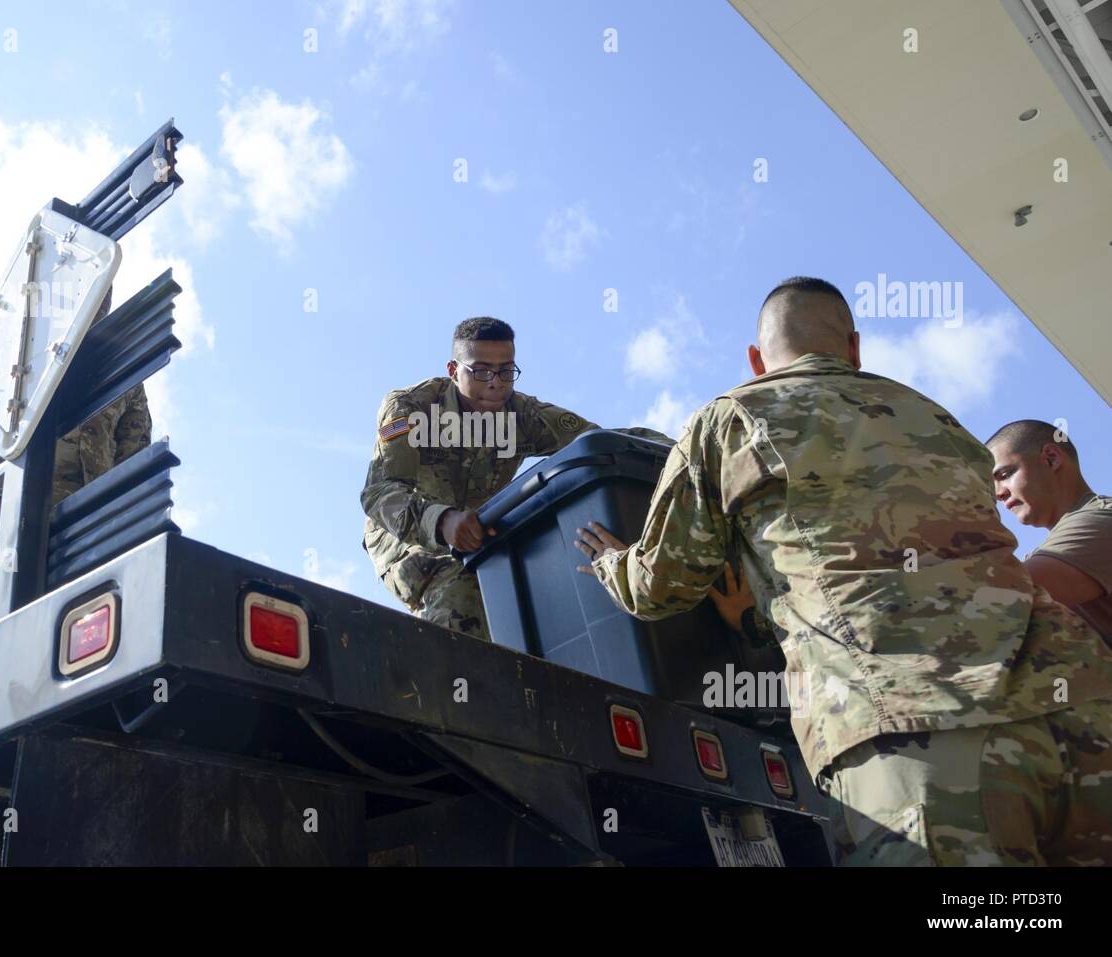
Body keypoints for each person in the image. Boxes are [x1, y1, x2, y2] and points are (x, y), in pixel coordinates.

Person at [574, 276, 1112, 866]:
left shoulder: (733, 416)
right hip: (1083, 709)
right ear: (853, 349)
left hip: (921, 728)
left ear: (757, 361)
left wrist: (609, 562)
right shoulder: (937, 419)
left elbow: (662, 586)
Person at [361, 316, 669, 641]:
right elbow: (379, 493)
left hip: (480, 533)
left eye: (506, 371)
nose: (495, 383)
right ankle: (451, 686)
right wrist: (442, 522)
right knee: (461, 591)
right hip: (405, 537)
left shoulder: (521, 416)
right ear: (454, 371)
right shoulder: (411, 408)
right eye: (481, 371)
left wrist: (685, 453)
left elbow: (598, 440)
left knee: (544, 584)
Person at [0, 288, 152, 566]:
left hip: (91, 520)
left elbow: (135, 457)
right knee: (7, 602)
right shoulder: (10, 347)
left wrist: (129, 530)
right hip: (9, 513)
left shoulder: (121, 366)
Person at [987, 420, 1112, 642]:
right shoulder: (1043, 553)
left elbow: (999, 597)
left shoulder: (1101, 521)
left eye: (1005, 475)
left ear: (1051, 458)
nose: (999, 494)